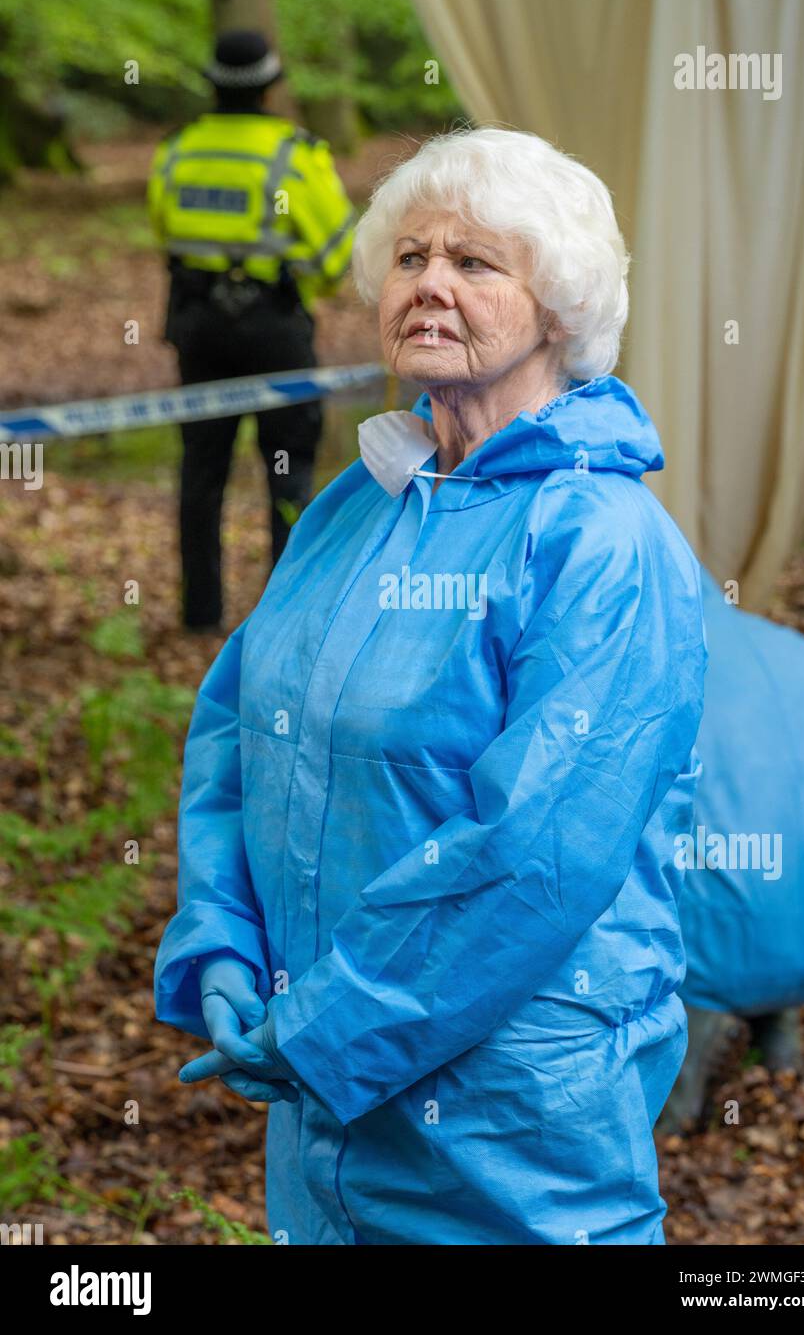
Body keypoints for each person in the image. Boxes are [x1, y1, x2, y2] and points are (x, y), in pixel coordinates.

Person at [154, 126, 707, 1245]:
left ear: (558, 306)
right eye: (408, 259)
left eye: (475, 262)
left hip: (512, 1127)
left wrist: (325, 1024)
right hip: (321, 1121)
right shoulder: (355, 508)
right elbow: (233, 729)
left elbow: (533, 853)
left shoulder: (601, 541)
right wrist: (219, 939)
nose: (430, 285)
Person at [147, 30, 355, 633]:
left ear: (211, 83)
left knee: (201, 467)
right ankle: (285, 614)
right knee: (288, 467)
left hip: (196, 325)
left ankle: (200, 615)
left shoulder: (177, 150)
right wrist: (298, 287)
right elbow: (335, 258)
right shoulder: (296, 155)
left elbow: (165, 231)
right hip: (273, 329)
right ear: (271, 86)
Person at [658, 568, 804, 1133]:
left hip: (722, 940)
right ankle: (781, 1059)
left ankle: (674, 1120)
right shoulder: (798, 651)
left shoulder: (662, 655)